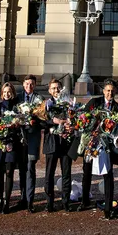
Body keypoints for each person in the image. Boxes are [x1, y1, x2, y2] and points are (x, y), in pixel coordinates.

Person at [70, 79, 118, 219]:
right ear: (103, 91)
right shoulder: (94, 103)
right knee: (86, 172)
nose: (110, 93)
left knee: (108, 174)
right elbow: (83, 119)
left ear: (115, 92)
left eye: (112, 91)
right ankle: (85, 200)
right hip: (92, 143)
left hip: (107, 146)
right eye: (108, 90)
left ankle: (108, 205)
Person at [0, 82, 22, 214]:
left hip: (11, 144)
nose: (7, 94)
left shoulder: (16, 109)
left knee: (9, 172)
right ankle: (0, 199)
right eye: (5, 92)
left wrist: (11, 135)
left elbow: (19, 127)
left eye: (9, 92)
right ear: (1, 94)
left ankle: (7, 201)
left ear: (12, 93)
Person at [43, 78, 75, 212]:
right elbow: (41, 122)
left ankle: (65, 202)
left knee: (66, 173)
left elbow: (75, 120)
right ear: (49, 90)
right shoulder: (46, 104)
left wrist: (71, 125)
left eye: (58, 88)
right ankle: (49, 202)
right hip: (52, 142)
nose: (56, 90)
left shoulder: (68, 102)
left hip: (66, 142)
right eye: (53, 88)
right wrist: (53, 121)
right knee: (49, 173)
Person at [18, 75, 43, 212]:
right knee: (21, 168)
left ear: (35, 85)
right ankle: (22, 197)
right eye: (27, 84)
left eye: (32, 84)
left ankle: (29, 201)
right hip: (20, 137)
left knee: (30, 168)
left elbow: (43, 118)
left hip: (33, 137)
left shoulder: (39, 100)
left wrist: (35, 120)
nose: (29, 86)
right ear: (23, 84)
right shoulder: (18, 97)